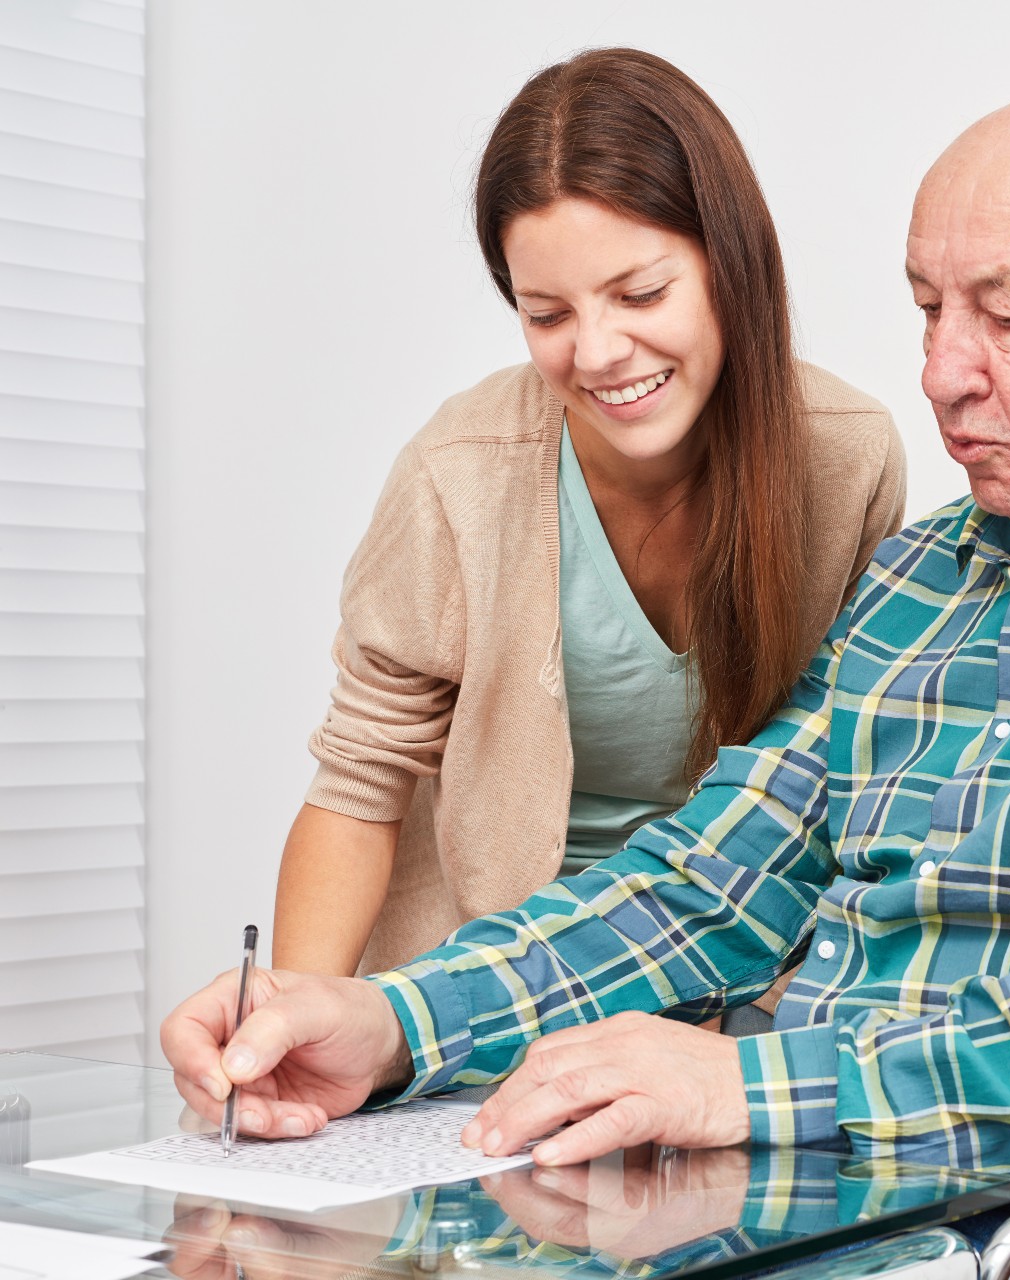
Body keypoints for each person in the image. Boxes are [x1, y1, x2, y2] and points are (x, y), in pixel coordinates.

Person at [164, 87, 1010, 1277]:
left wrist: (756, 1089)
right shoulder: (918, 581)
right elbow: (703, 888)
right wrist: (386, 1020)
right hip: (826, 1205)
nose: (942, 372)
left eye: (1007, 316)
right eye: (928, 309)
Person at [268, 48, 907, 984]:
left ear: (731, 264)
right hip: (478, 992)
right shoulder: (460, 473)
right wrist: (300, 1014)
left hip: (738, 986)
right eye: (547, 313)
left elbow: (857, 779)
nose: (599, 351)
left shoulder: (847, 460)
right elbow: (361, 779)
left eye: (641, 294)